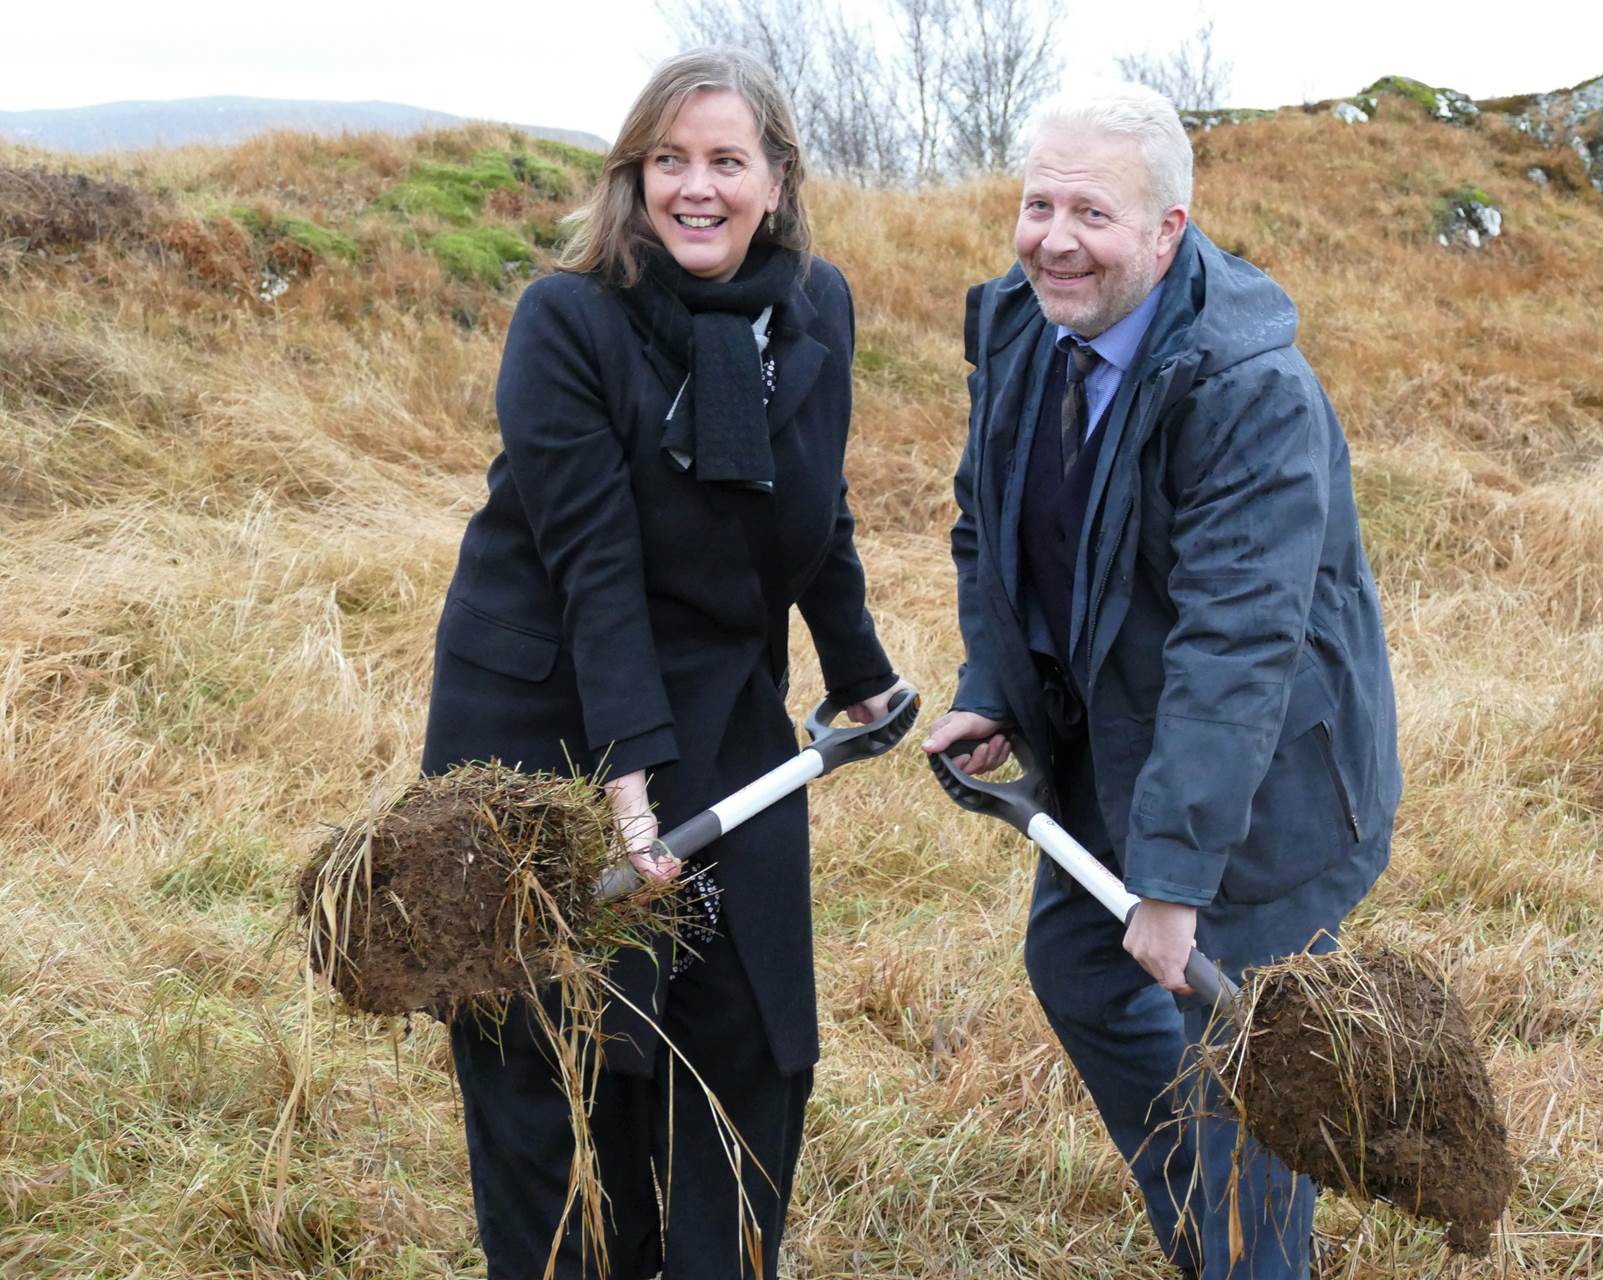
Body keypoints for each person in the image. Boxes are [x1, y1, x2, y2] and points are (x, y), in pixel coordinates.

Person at [422, 47, 904, 1279]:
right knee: (569, 1048)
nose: (697, 188)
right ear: (633, 181)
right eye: (668, 162)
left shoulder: (815, 308)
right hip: (547, 718)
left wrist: (857, 670)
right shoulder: (567, 322)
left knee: (748, 1024)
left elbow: (817, 509)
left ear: (777, 181)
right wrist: (630, 784)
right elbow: (594, 564)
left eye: (726, 162)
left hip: (722, 694)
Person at [922, 83, 1401, 1280]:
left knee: (1244, 1070)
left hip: (1266, 772)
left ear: (1169, 230)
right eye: (1038, 202)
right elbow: (992, 529)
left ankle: (1246, 1244)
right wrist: (994, 679)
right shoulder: (1025, 327)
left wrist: (1176, 877)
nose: (1054, 237)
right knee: (1080, 962)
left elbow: (1239, 643)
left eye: (1094, 211)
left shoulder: (1247, 389)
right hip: (1118, 736)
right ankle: (1219, 1238)